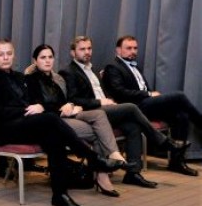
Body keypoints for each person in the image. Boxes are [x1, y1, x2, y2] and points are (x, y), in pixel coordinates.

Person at [0, 40, 124, 206]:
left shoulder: (18, 77)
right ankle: (93, 158)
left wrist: (38, 107)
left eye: (9, 53)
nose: (5, 57)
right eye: (1, 54)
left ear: (13, 56)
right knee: (50, 119)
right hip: (1, 130)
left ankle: (60, 194)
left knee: (54, 137)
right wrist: (26, 111)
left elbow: (34, 102)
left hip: (22, 125)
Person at [59, 36, 190, 188]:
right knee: (131, 107)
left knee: (133, 126)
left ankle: (133, 174)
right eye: (82, 49)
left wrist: (109, 100)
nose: (87, 52)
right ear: (73, 52)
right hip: (92, 112)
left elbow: (101, 92)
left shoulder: (93, 70)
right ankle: (163, 141)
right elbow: (73, 99)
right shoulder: (68, 72)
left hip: (107, 109)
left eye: (89, 48)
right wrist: (100, 102)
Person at [25, 45, 128, 197]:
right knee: (97, 132)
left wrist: (72, 105)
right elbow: (38, 107)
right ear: (35, 60)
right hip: (54, 120)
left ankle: (112, 157)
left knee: (99, 115)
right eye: (43, 57)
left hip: (66, 114)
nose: (47, 61)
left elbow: (65, 100)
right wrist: (62, 109)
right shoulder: (31, 80)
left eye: (50, 57)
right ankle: (102, 175)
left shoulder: (55, 79)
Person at [102, 35, 201, 176]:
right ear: (118, 50)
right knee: (179, 96)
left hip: (146, 105)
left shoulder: (135, 67)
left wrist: (149, 95)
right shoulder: (112, 67)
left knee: (182, 115)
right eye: (128, 48)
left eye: (135, 48)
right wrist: (148, 94)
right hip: (133, 108)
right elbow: (120, 93)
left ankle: (176, 162)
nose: (133, 51)